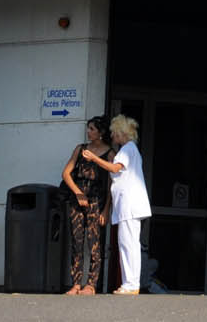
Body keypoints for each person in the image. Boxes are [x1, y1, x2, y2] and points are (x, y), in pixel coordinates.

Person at [81, 113, 150, 294]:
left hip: (129, 205)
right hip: (129, 205)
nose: (111, 135)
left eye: (113, 132)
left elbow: (114, 168)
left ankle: (130, 284)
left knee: (128, 244)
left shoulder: (127, 150)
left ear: (121, 133)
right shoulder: (130, 149)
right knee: (128, 244)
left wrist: (94, 158)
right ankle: (131, 283)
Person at [60, 114, 112, 295]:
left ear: (101, 132)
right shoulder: (80, 149)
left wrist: (106, 209)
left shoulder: (109, 153)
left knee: (94, 242)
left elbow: (111, 184)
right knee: (77, 241)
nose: (88, 132)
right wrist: (77, 192)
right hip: (78, 198)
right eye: (88, 128)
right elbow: (66, 173)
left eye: (92, 129)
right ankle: (76, 283)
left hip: (97, 200)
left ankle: (91, 284)